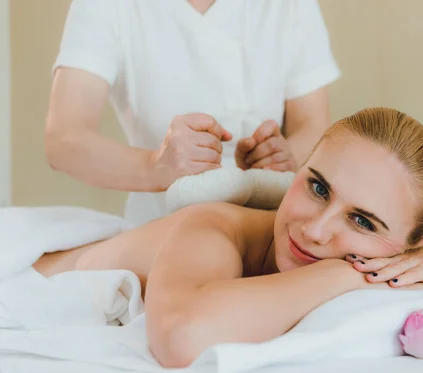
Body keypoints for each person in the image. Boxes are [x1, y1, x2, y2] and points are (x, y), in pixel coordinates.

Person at [33, 107, 423, 368]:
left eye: (362, 222)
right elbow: (180, 338)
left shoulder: (398, 257)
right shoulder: (212, 226)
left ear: (404, 247)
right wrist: (343, 271)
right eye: (317, 187)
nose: (316, 230)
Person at [43, 0, 341, 225]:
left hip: (273, 222)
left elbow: (314, 125)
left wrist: (285, 155)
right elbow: (64, 141)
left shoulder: (290, 6)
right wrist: (155, 167)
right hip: (161, 230)